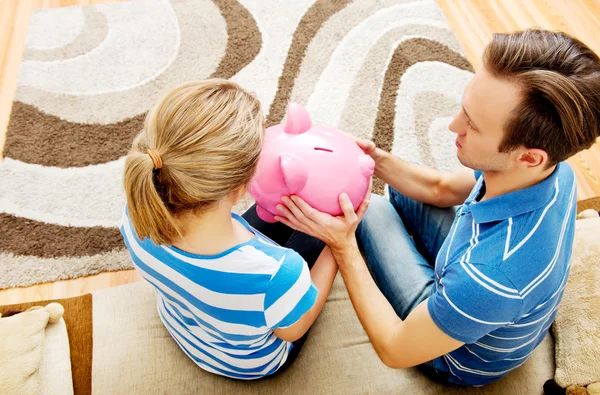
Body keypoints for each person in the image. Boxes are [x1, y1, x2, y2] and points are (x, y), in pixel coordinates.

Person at [275, 29, 600, 386]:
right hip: (475, 284)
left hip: (452, 356)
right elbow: (440, 188)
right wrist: (377, 160)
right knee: (402, 192)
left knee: (371, 210)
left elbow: (394, 349)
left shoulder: (492, 278)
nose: (453, 126)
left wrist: (343, 246)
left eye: (473, 126)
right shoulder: (552, 171)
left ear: (528, 157)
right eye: (465, 108)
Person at [120, 79, 338, 380]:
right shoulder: (280, 273)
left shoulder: (136, 212)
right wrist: (338, 246)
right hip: (248, 363)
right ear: (240, 187)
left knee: (290, 219)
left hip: (181, 322)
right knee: (321, 232)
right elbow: (294, 330)